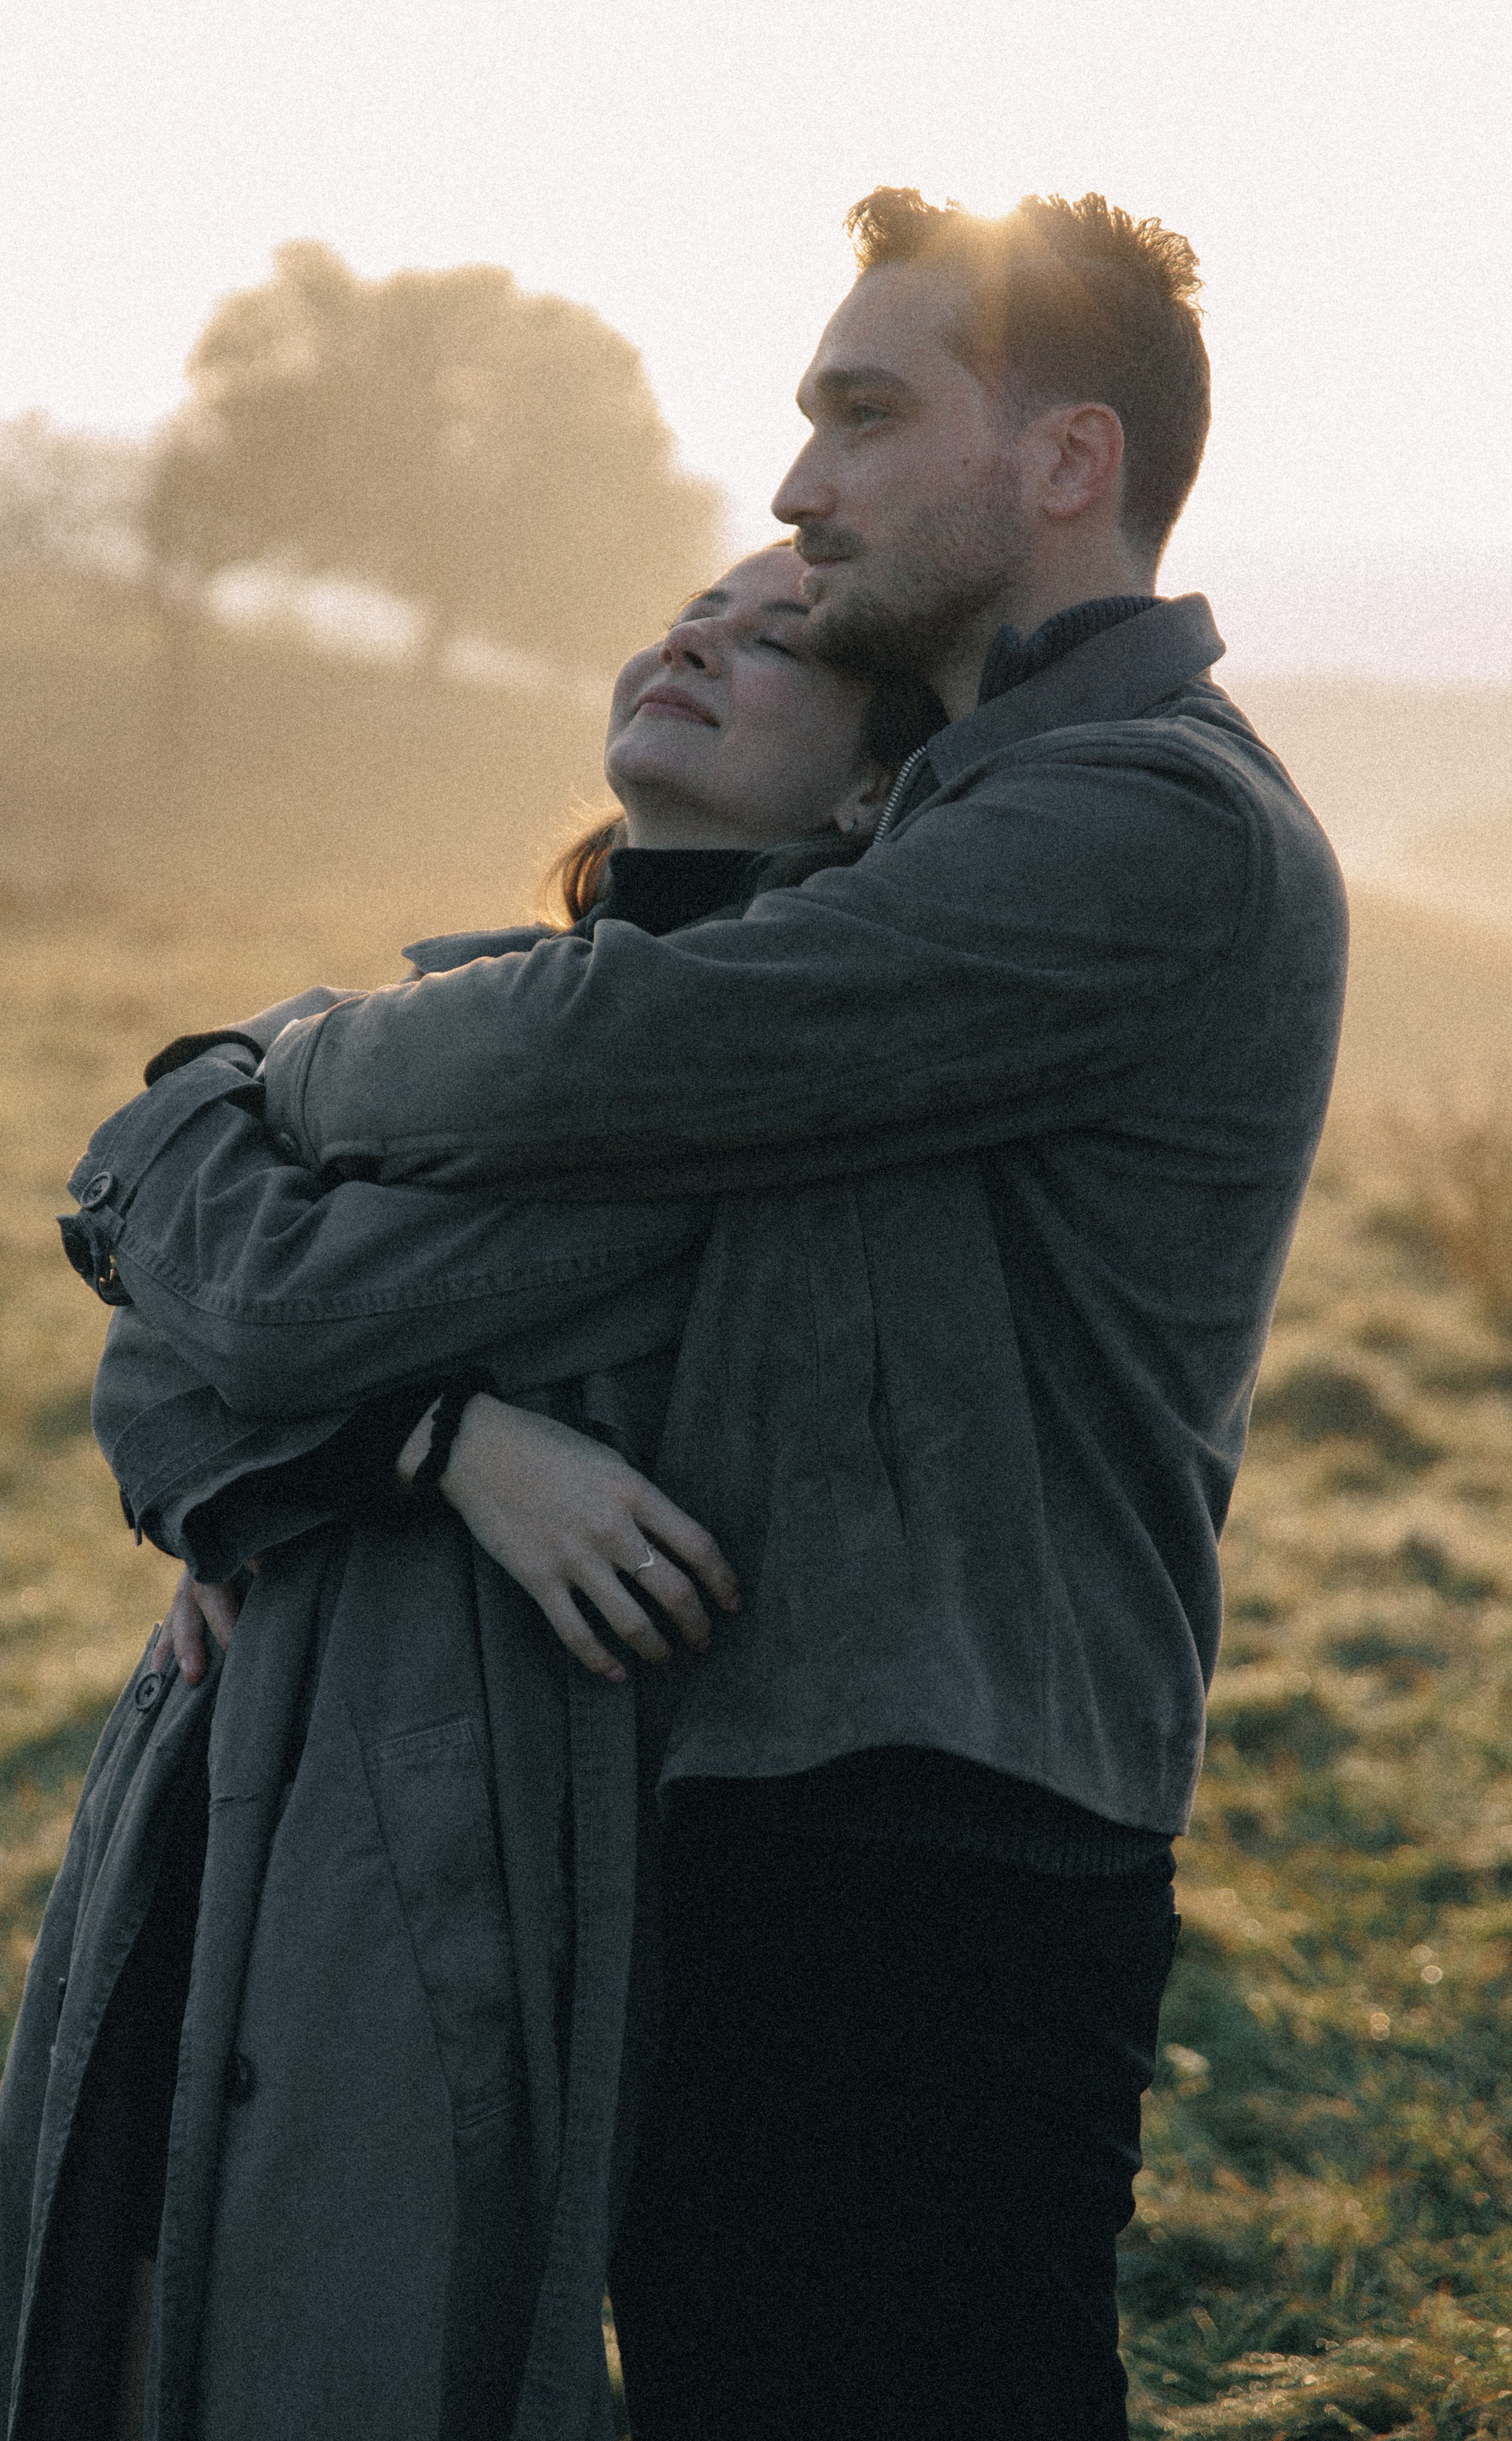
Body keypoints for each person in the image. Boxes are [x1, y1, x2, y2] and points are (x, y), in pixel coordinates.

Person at [244, 189, 1351, 2438]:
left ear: (1066, 460)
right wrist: (392, 1425)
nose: (796, 484)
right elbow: (366, 1247)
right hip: (742, 1804)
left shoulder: (1150, 828)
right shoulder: (932, 820)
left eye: (863, 417)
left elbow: (606, 1052)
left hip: (949, 1850)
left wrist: (284, 1063)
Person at [0, 549, 936, 2441]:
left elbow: (254, 1302)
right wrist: (430, 1446)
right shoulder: (464, 1016)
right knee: (123, 2284)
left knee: (343, 2333)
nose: (696, 637)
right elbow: (162, 1352)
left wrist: (214, 1147)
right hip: (240, 1719)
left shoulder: (738, 1080)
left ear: (874, 789)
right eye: (693, 609)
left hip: (458, 1784)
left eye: (778, 641)